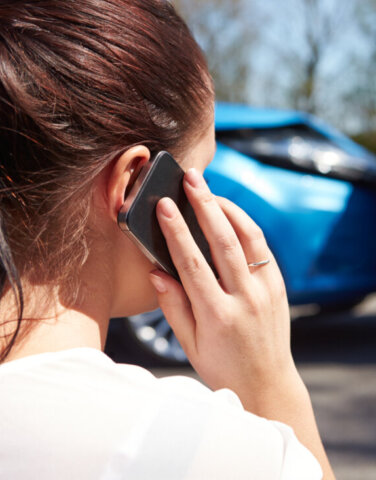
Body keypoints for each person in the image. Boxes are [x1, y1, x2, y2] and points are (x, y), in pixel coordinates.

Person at [0, 1, 335, 479]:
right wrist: (272, 387)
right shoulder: (197, 445)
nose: (207, 202)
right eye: (199, 174)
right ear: (135, 182)